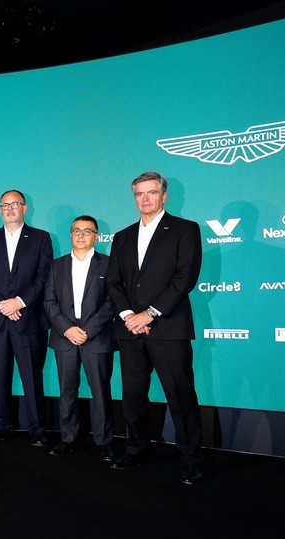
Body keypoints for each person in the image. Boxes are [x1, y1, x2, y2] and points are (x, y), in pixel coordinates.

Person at [106, 171, 204, 485]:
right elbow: (114, 282)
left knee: (180, 395)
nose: (145, 199)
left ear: (164, 195)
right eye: (139, 194)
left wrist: (149, 314)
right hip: (130, 330)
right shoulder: (122, 236)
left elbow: (184, 278)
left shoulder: (185, 229)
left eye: (151, 192)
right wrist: (129, 316)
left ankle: (191, 460)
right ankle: (135, 449)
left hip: (168, 328)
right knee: (133, 395)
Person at [0, 189, 52, 446]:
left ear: (24, 208)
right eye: (4, 205)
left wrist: (19, 302)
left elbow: (44, 276)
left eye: (14, 204)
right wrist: (1, 304)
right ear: (0, 210)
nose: (9, 209)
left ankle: (38, 428)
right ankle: (0, 425)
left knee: (32, 377)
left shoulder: (41, 238)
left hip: (28, 319)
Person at [43, 215, 117, 461]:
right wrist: (67, 329)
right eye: (76, 230)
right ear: (70, 235)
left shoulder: (109, 264)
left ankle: (104, 441)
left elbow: (112, 301)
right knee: (67, 391)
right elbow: (49, 301)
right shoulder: (56, 265)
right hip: (65, 338)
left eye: (87, 231)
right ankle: (68, 438)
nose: (81, 235)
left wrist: (88, 330)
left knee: (101, 392)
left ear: (96, 236)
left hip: (97, 337)